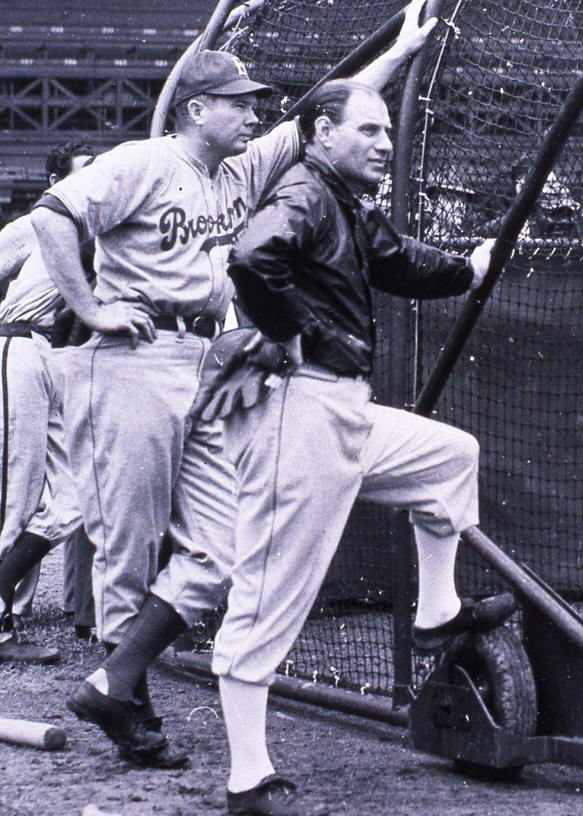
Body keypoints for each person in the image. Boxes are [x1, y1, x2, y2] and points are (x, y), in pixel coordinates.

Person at [31, 0, 443, 771]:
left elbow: (325, 113)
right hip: (135, 358)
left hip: (205, 363)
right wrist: (90, 307)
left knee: (218, 546)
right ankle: (133, 709)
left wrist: (399, 52)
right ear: (197, 109)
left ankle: (114, 682)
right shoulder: (142, 161)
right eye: (239, 103)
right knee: (131, 545)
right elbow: (53, 214)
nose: (255, 114)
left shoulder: (242, 168)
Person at [212, 78, 514, 816]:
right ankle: (247, 779)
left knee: (449, 458)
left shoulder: (343, 202)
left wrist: (470, 268)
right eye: (369, 131)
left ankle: (436, 609)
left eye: (387, 132)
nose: (385, 144)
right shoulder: (305, 194)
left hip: (342, 407)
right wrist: (304, 331)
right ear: (320, 132)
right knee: (269, 594)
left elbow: (396, 260)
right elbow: (252, 260)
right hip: (299, 407)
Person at [0, 140, 97, 663]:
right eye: (83, 173)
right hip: (14, 343)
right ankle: (3, 626)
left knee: (70, 497)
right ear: (55, 182)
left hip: (50, 355)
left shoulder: (96, 228)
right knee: (16, 492)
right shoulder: (38, 223)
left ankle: (9, 608)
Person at [419, 163, 476, 240]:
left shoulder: (469, 241)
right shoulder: (421, 242)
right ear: (431, 204)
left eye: (463, 200)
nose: (460, 205)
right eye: (452, 199)